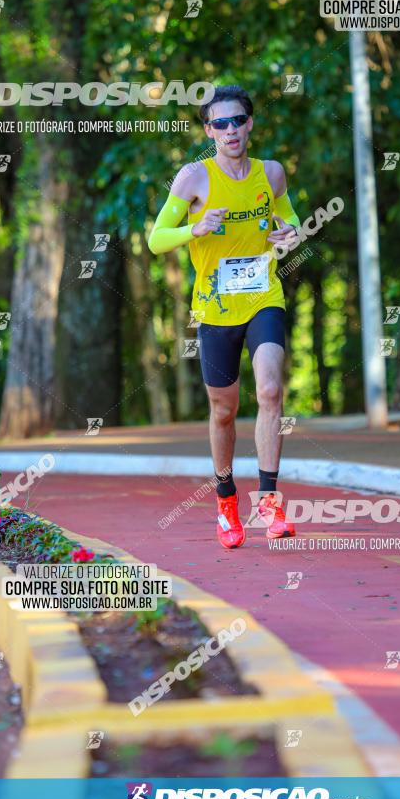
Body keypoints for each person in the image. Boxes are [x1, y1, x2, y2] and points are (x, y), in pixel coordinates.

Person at [148, 85, 301, 549]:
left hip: (262, 298)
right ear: (208, 130)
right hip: (214, 308)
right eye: (220, 123)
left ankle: (270, 505)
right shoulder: (193, 179)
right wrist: (194, 228)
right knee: (224, 411)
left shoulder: (271, 174)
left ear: (250, 124)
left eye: (238, 121)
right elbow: (157, 239)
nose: (230, 130)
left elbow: (289, 220)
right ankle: (226, 500)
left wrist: (290, 235)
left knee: (271, 389)